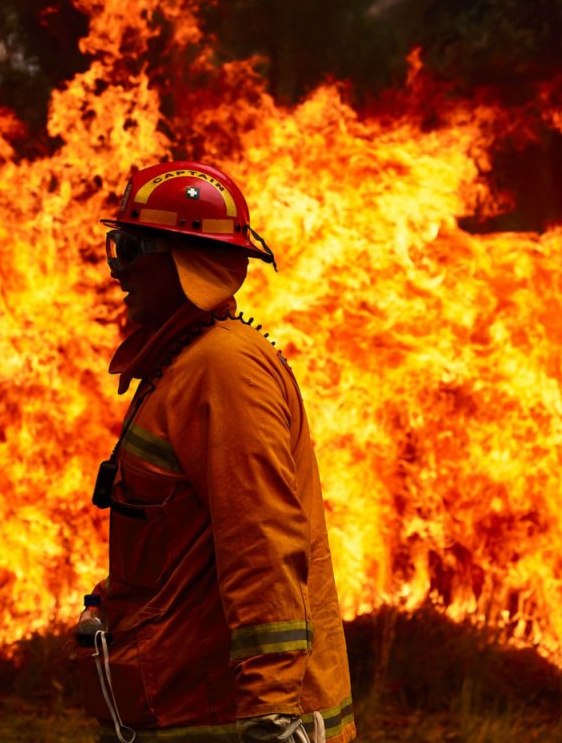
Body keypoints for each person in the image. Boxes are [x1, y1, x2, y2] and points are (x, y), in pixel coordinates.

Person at [76, 161, 355, 743]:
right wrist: (109, 605)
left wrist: (272, 717)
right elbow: (175, 539)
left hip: (224, 719)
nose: (118, 272)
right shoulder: (182, 364)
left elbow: (263, 546)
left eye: (128, 249)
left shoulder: (223, 371)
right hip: (181, 704)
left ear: (176, 259)